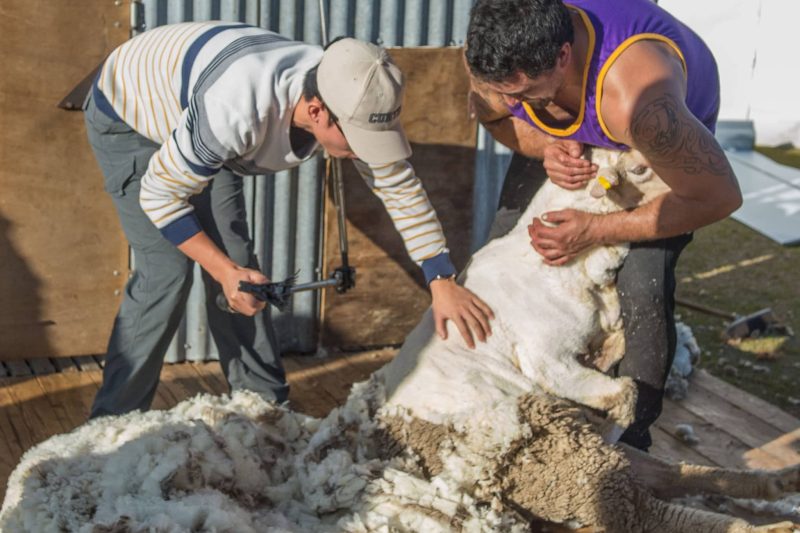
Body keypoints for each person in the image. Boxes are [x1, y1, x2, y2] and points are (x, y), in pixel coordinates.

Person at [84, 22, 494, 418]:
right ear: (317, 111)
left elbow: (399, 187)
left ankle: (264, 407)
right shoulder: (235, 110)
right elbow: (160, 197)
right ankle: (112, 420)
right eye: (357, 140)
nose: (363, 151)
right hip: (130, 110)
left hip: (197, 111)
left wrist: (441, 280)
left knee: (240, 264)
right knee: (168, 272)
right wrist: (222, 271)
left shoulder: (355, 92)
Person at [464, 0, 742, 450]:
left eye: (525, 94)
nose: (510, 102)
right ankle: (510, 405)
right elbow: (495, 113)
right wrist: (545, 144)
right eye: (501, 89)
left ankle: (629, 447)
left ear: (562, 56)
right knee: (504, 253)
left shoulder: (640, 100)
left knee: (642, 289)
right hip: (575, 127)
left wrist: (596, 229)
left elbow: (718, 196)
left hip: (655, 150)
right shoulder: (493, 51)